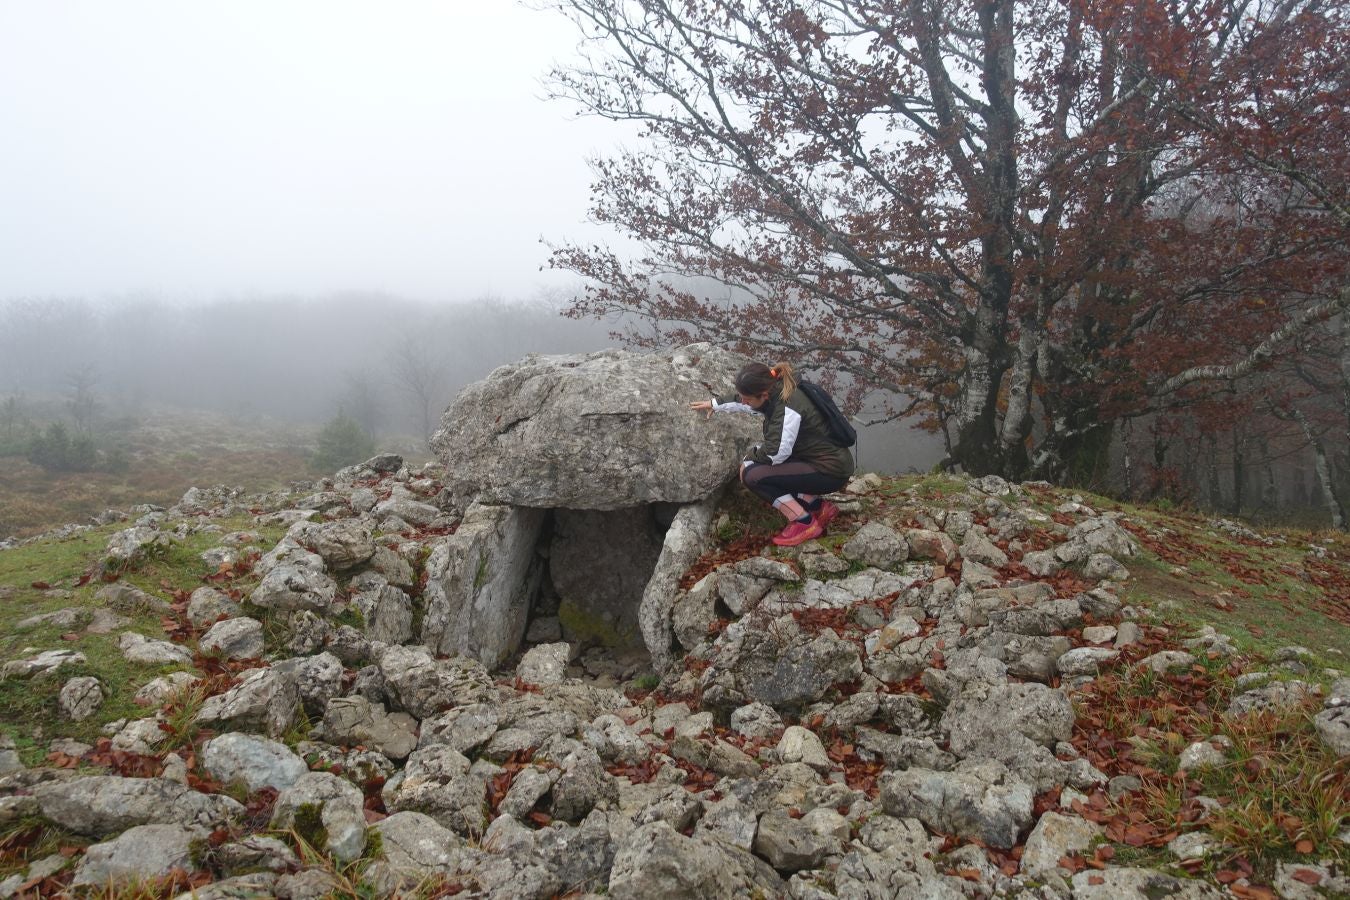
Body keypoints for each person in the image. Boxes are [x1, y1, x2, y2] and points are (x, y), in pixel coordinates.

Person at [691, 361, 855, 546]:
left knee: (751, 474)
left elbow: (775, 454)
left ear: (764, 395)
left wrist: (750, 457)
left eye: (748, 398)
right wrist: (715, 404)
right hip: (822, 461)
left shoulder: (786, 407)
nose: (744, 401)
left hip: (830, 471)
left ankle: (804, 522)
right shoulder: (778, 390)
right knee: (765, 469)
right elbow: (746, 402)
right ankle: (818, 507)